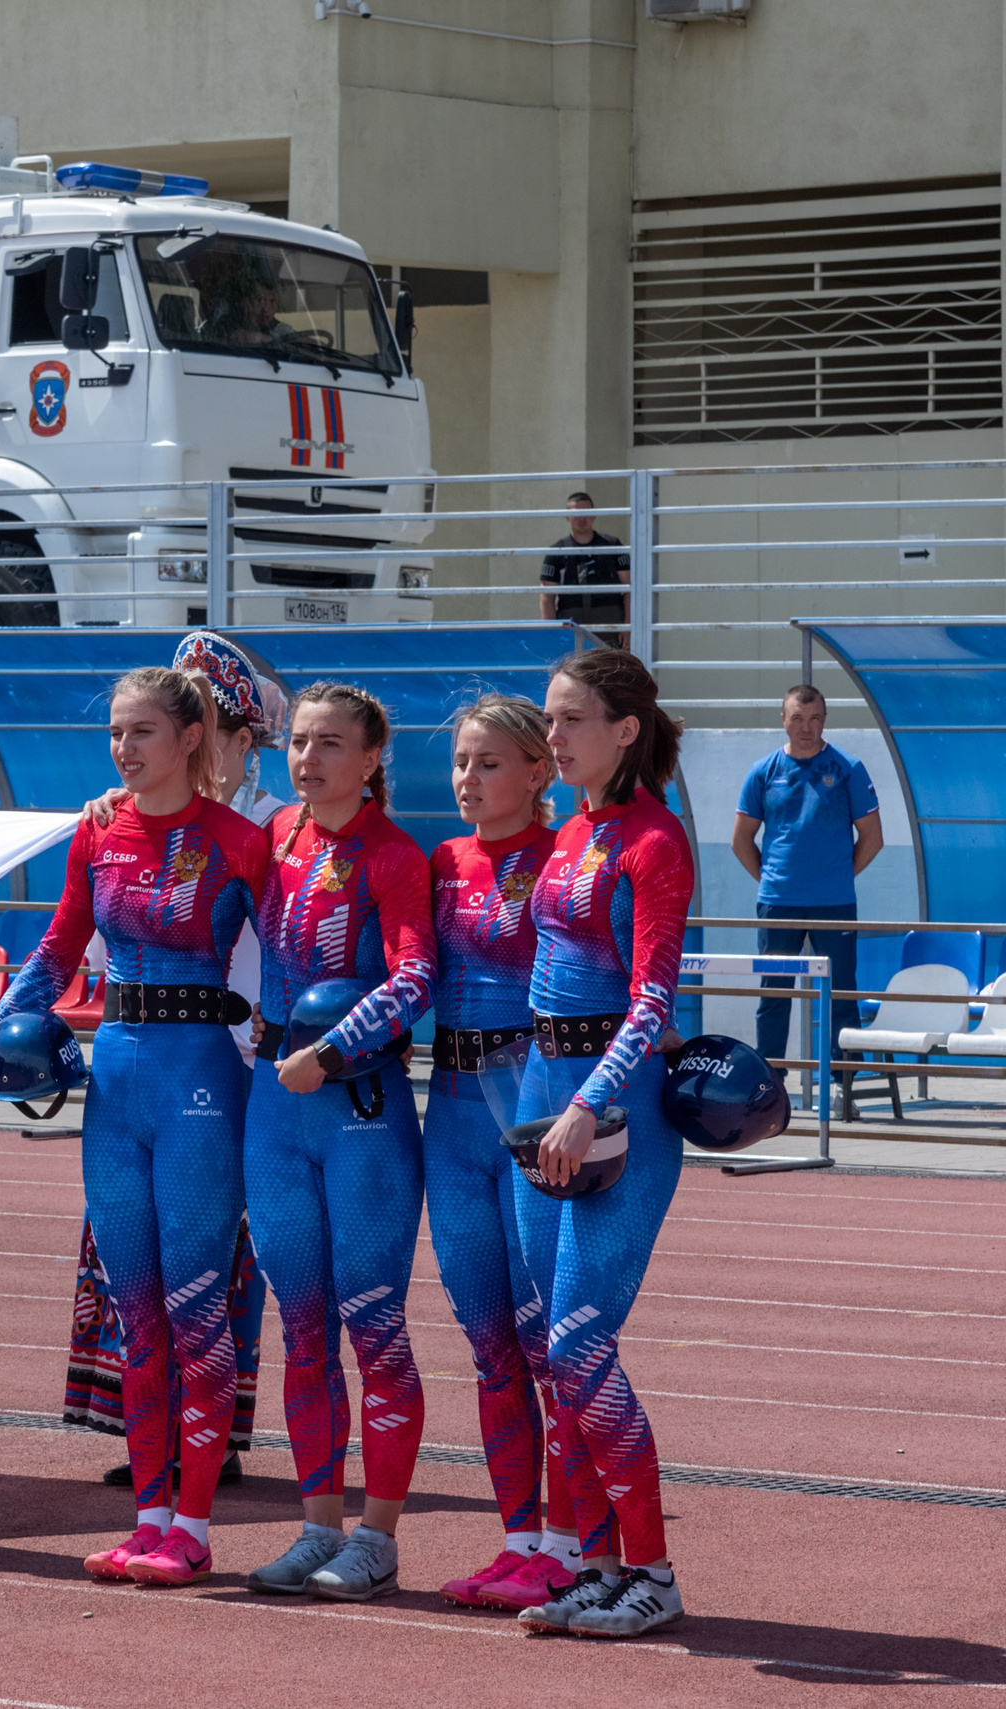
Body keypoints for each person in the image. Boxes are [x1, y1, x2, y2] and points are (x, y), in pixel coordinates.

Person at [0, 665, 265, 1586]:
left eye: (143, 732)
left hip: (204, 1085)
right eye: (115, 734)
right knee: (137, 1311)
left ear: (191, 738)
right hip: (118, 1081)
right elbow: (57, 947)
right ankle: (147, 1519)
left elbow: (285, 974)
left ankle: (198, 1527)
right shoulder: (97, 833)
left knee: (197, 1310)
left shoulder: (243, 842)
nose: (125, 749)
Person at [70, 631, 282, 1485]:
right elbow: (84, 951)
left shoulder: (269, 826)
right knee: (132, 1250)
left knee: (223, 1251)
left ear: (226, 732)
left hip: (235, 1059)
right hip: (144, 1063)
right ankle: (145, 1433)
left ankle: (210, 1440)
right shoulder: (122, 818)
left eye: (198, 715)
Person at [513, 648, 694, 1639]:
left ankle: (653, 1571)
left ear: (624, 729)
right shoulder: (572, 828)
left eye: (570, 718)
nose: (554, 735)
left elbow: (652, 997)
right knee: (551, 1350)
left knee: (581, 1345)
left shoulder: (655, 839)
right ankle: (596, 1563)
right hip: (548, 1092)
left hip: (613, 1107)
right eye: (548, 717)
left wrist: (587, 1104)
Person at [243, 681, 435, 1602]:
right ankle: (318, 1526)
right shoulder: (273, 837)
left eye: (330, 744)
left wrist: (332, 1048)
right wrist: (110, 802)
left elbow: (415, 977)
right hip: (275, 1110)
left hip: (358, 1107)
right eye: (301, 742)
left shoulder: (396, 855)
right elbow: (181, 819)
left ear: (371, 760)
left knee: (376, 1327)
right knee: (303, 1328)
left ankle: (379, 1536)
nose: (308, 758)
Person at [421, 695, 612, 1614]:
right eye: (460, 762)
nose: (467, 779)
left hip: (526, 1108)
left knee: (549, 1347)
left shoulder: (563, 855)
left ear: (538, 771)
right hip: (448, 1116)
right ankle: (517, 1541)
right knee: (488, 1345)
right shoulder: (442, 861)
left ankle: (572, 1547)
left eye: (488, 763)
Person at [734, 683, 883, 1112]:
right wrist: (771, 881)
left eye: (814, 718)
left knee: (840, 992)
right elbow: (741, 839)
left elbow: (872, 838)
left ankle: (842, 1088)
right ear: (783, 719)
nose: (805, 727)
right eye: (797, 718)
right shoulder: (763, 771)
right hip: (778, 902)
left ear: (825, 720)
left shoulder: (848, 768)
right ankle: (771, 1086)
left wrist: (836, 876)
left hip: (834, 904)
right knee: (774, 994)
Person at [538, 492, 629, 646]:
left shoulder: (612, 546)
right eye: (576, 513)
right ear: (567, 516)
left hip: (610, 629)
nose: (582, 518)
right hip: (572, 631)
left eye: (587, 513)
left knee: (611, 670)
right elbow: (547, 597)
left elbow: (629, 589)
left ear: (594, 515)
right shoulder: (557, 551)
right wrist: (552, 634)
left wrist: (627, 627)